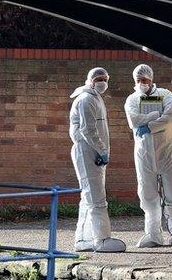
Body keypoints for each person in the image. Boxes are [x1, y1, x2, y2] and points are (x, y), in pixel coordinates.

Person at [124, 64, 172, 248]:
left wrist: (150, 126)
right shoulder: (132, 99)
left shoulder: (165, 94)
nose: (141, 83)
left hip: (166, 149)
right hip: (144, 152)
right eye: (138, 80)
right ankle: (153, 234)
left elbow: (171, 115)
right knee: (147, 193)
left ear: (151, 79)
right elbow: (134, 121)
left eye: (144, 80)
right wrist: (155, 115)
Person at [69, 67, 126, 253]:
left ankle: (84, 239)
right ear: (91, 80)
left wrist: (102, 151)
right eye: (99, 78)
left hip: (92, 151)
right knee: (96, 197)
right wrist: (102, 150)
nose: (102, 82)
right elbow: (88, 130)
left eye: (105, 78)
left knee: (88, 196)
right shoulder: (86, 99)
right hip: (88, 151)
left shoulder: (94, 98)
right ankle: (101, 239)